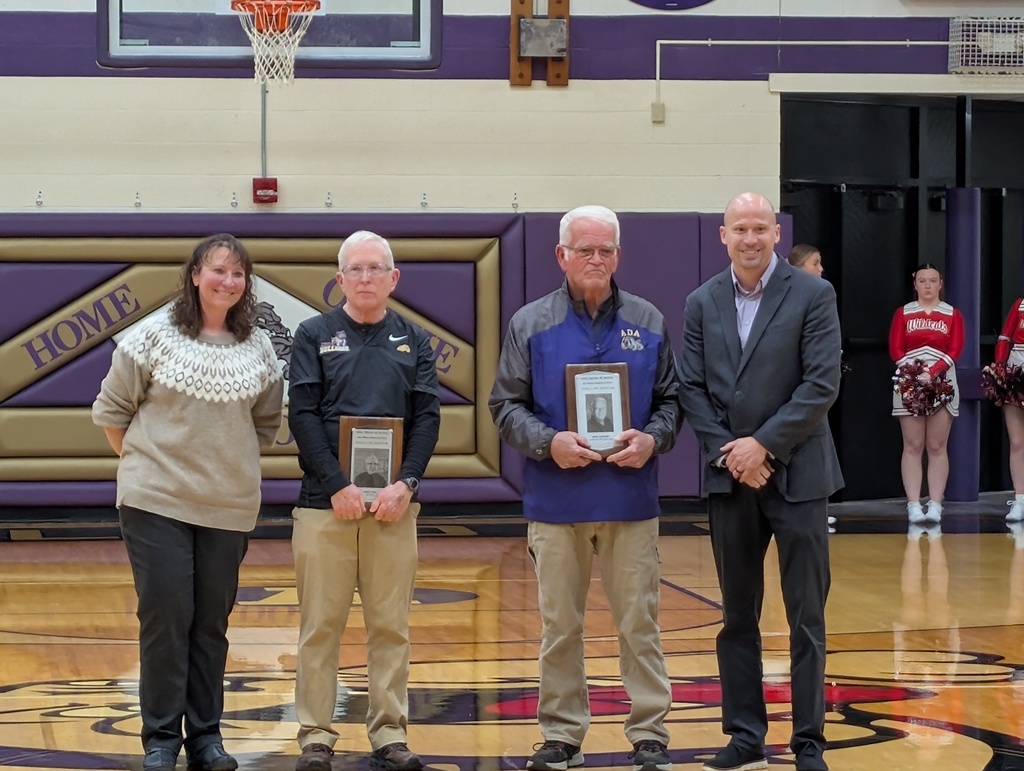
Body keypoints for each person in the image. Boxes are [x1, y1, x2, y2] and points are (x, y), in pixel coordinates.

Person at [489, 205, 682, 771]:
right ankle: (562, 735)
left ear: (618, 255)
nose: (595, 259)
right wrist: (548, 442)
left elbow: (672, 401)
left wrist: (652, 439)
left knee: (639, 624)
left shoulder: (648, 319)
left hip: (630, 501)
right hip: (556, 503)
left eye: (605, 250)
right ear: (561, 255)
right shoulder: (530, 323)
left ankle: (649, 733)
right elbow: (505, 406)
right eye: (584, 250)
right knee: (560, 627)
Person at [91, 234, 285, 771]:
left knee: (210, 625)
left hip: (228, 507)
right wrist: (148, 466)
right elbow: (112, 413)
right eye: (218, 269)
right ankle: (160, 740)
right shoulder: (152, 336)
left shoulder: (259, 347)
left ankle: (206, 737)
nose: (228, 281)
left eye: (238, 273)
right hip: (155, 502)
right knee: (166, 618)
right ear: (195, 274)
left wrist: (224, 465)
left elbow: (266, 424)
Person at [678, 193, 843, 771]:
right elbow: (691, 388)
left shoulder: (814, 294)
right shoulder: (701, 301)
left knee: (806, 617)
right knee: (737, 616)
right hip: (732, 479)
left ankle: (809, 742)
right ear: (723, 236)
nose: (750, 238)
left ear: (777, 233)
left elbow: (820, 385)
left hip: (800, 475)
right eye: (740, 229)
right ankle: (745, 737)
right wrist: (734, 455)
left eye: (760, 228)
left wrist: (762, 445)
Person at [288, 231, 441, 771]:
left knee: (390, 627)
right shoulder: (313, 334)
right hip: (323, 505)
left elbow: (427, 418)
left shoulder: (414, 340)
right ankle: (315, 734)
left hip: (393, 507)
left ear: (394, 278)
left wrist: (408, 483)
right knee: (319, 627)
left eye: (376, 268)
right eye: (355, 269)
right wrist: (336, 484)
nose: (366, 277)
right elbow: (302, 416)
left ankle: (389, 733)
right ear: (340, 279)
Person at [888, 264, 964, 524]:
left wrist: (934, 372)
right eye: (922, 280)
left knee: (936, 445)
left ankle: (935, 503)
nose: (928, 285)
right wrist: (913, 372)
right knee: (912, 445)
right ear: (915, 284)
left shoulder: (952, 313)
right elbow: (896, 348)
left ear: (940, 283)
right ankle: (913, 504)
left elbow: (956, 348)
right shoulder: (904, 313)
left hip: (943, 381)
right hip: (909, 381)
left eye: (932, 280)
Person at [788, 244, 837, 530]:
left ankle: (818, 508)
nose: (821, 269)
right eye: (815, 263)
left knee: (818, 448)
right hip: (793, 392)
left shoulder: (821, 297)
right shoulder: (788, 300)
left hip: (814, 392)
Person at [994, 298, 1024, 521]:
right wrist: (1001, 369)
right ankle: (1020, 499)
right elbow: (1004, 338)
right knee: (1016, 442)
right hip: (1016, 374)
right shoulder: (1020, 304)